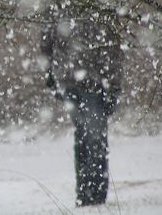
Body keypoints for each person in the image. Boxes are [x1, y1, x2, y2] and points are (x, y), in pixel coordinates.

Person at [41, 14, 124, 206]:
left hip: (81, 82)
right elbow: (114, 51)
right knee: (90, 138)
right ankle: (90, 193)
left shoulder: (63, 3)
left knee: (88, 138)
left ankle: (88, 193)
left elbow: (113, 51)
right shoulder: (94, 6)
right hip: (83, 82)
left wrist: (51, 75)